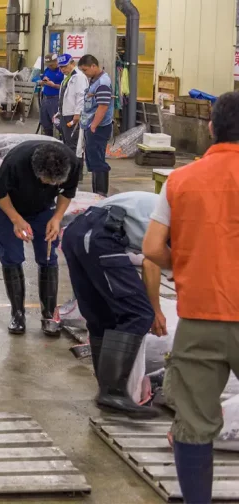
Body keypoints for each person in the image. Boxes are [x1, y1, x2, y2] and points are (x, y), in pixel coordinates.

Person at [144, 93, 239, 503]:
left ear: (211, 127)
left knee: (194, 423)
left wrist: (186, 265)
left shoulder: (181, 180)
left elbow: (151, 248)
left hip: (200, 318)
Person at [62, 191, 164, 421]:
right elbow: (152, 262)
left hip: (77, 234)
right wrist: (156, 311)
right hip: (101, 236)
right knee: (139, 313)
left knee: (102, 318)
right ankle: (113, 392)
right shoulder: (189, 221)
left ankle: (108, 392)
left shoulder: (173, 205)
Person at [0, 140, 80, 337]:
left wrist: (57, 218)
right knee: (11, 256)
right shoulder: (16, 162)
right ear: (36, 172)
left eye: (55, 183)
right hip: (11, 208)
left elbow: (68, 192)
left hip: (43, 210)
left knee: (48, 255)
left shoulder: (72, 163)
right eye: (48, 182)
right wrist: (16, 220)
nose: (53, 186)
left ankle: (48, 313)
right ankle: (17, 314)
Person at [79, 54, 113, 196]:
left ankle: (101, 193)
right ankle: (96, 192)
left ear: (94, 66)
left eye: (85, 70)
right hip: (91, 125)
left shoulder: (103, 82)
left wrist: (93, 126)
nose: (84, 73)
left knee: (98, 160)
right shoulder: (94, 80)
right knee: (92, 158)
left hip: (98, 127)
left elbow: (103, 106)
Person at [57, 54, 86, 150]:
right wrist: (59, 111)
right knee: (66, 142)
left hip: (73, 115)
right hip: (65, 114)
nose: (63, 69)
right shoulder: (67, 77)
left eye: (65, 66)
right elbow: (64, 96)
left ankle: (75, 164)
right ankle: (69, 163)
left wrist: (78, 113)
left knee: (73, 143)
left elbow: (81, 96)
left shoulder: (79, 77)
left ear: (72, 63)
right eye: (61, 67)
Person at [38, 53, 65, 137]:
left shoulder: (62, 71)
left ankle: (62, 140)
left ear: (57, 61)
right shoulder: (47, 70)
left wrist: (54, 85)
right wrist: (42, 82)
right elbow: (42, 80)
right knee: (45, 123)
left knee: (58, 123)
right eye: (48, 65)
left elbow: (66, 87)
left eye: (52, 64)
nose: (50, 66)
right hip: (46, 99)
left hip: (56, 99)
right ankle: (48, 141)